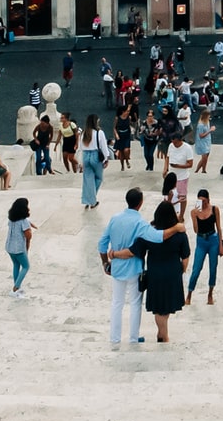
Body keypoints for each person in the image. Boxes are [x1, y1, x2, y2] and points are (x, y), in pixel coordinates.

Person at [97, 188, 163, 347]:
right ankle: (133, 338)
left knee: (117, 303)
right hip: (134, 269)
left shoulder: (115, 219)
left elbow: (102, 243)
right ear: (140, 203)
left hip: (117, 268)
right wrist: (175, 228)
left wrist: (106, 262)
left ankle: (114, 338)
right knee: (135, 303)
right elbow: (157, 237)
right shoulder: (140, 223)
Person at [141, 198, 190, 341]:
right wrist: (181, 270)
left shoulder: (150, 233)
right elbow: (185, 256)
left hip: (155, 273)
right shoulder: (180, 234)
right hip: (172, 273)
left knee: (159, 307)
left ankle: (162, 333)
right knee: (166, 307)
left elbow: (142, 249)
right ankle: (163, 335)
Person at [185, 188, 223, 304]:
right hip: (201, 240)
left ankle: (210, 294)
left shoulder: (214, 209)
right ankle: (189, 294)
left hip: (213, 240)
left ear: (208, 200)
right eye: (200, 201)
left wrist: (221, 245)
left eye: (204, 201)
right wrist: (196, 216)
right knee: (196, 269)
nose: (202, 203)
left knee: (213, 268)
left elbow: (219, 228)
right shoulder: (194, 212)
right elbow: (196, 230)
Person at [6, 197, 36, 296]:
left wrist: (30, 223)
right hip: (19, 248)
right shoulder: (24, 221)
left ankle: (16, 286)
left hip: (10, 247)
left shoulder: (11, 219)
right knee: (26, 266)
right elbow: (28, 236)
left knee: (16, 265)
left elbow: (25, 220)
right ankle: (16, 288)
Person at [79, 115, 107, 208]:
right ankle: (92, 199)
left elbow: (80, 147)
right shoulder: (99, 132)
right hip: (96, 156)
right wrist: (106, 159)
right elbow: (103, 146)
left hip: (86, 155)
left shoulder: (83, 133)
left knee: (87, 179)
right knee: (98, 178)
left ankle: (87, 199)